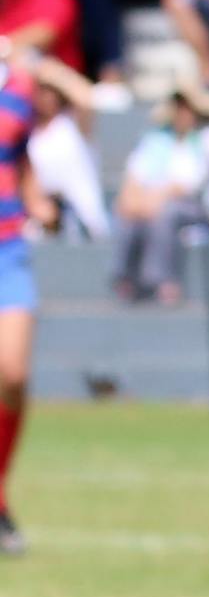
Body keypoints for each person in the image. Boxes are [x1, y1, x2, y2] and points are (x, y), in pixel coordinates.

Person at [0, 46, 79, 556]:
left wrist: (36, 198)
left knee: (13, 375)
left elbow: (19, 153)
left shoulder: (18, 83)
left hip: (8, 246)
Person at [113, 78, 209, 305]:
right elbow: (134, 179)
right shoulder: (155, 141)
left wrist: (155, 199)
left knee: (166, 212)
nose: (182, 113)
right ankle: (125, 277)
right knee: (129, 214)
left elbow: (190, 184)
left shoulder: (208, 139)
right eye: (178, 107)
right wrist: (137, 201)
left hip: (194, 207)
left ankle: (162, 280)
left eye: (187, 107)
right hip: (153, 202)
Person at [24, 57, 103, 242]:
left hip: (82, 226)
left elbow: (86, 98)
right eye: (40, 91)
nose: (45, 97)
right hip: (39, 223)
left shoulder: (73, 125)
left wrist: (41, 65)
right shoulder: (26, 130)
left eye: (51, 91)